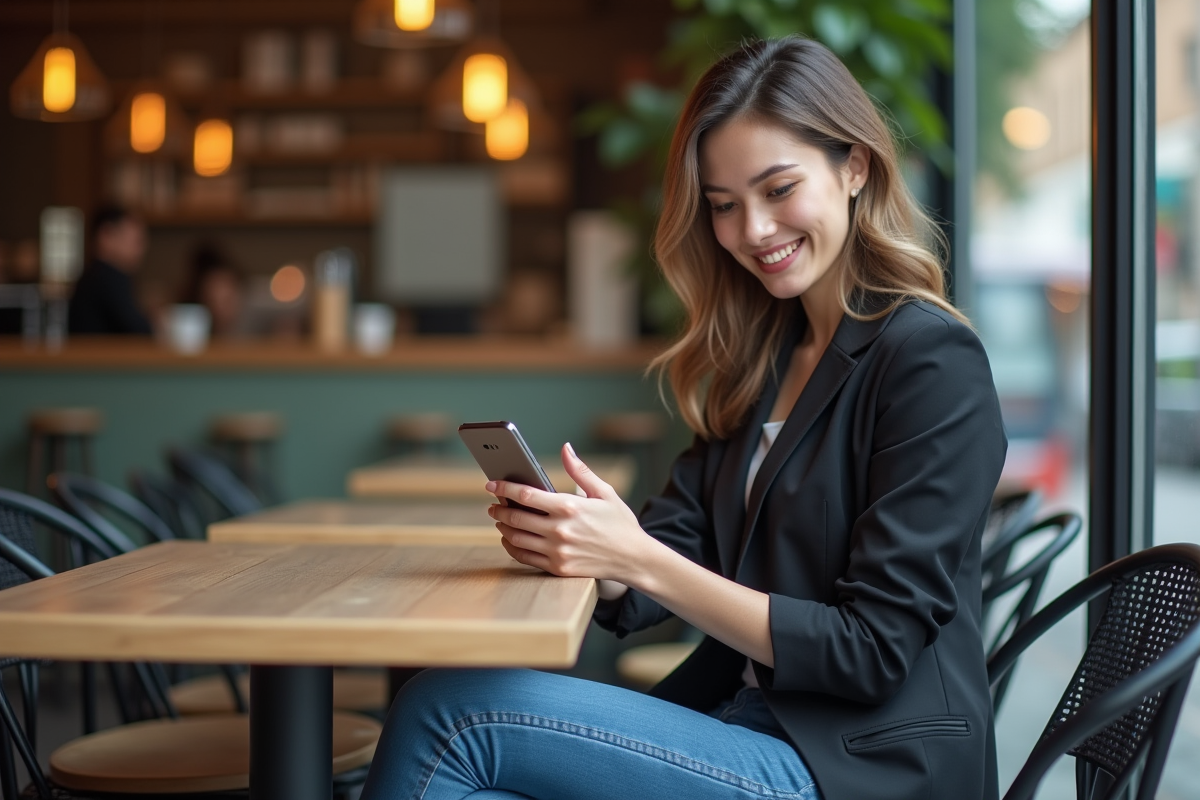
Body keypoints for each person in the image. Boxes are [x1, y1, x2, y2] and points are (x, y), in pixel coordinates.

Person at [360, 36, 1007, 800]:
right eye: (724, 206)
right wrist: (591, 548)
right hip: (748, 724)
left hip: (861, 767)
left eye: (778, 189)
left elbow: (870, 651)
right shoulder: (768, 357)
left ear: (855, 166)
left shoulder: (931, 362)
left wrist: (634, 558)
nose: (753, 231)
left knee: (449, 715)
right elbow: (668, 552)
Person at [68, 205, 154, 335]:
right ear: (106, 235)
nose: (141, 250)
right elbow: (139, 330)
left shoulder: (95, 275)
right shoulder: (106, 277)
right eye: (136, 241)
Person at [179, 242, 246, 339]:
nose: (220, 309)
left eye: (227, 300)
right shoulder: (191, 336)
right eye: (213, 301)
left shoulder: (256, 337)